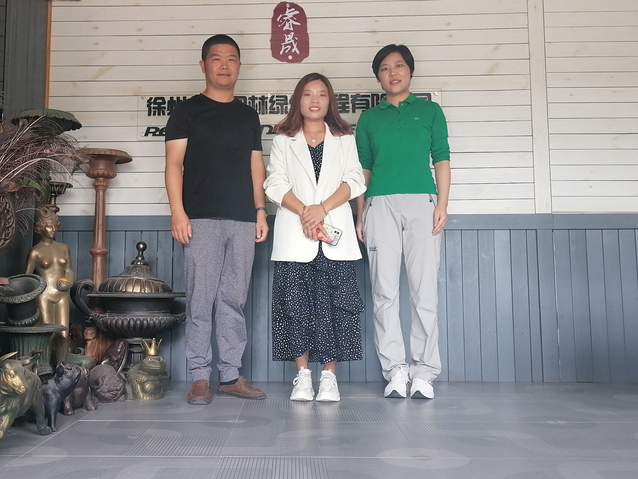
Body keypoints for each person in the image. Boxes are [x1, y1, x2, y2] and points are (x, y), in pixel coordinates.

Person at [164, 34, 269, 405]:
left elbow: (256, 166)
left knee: (233, 300)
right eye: (216, 58)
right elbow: (173, 164)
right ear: (203, 65)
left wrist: (260, 210)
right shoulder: (187, 111)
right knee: (201, 299)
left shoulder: (248, 115)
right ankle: (199, 377)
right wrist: (178, 211)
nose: (224, 65)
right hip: (201, 218)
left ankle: (229, 375)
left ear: (239, 66)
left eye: (231, 59)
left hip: (242, 219)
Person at [355, 44, 451, 399]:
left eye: (398, 66)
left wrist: (442, 204)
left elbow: (441, 158)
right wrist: (360, 213)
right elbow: (363, 168)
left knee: (424, 291)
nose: (392, 72)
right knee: (384, 291)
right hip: (379, 204)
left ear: (410, 71)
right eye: (384, 68)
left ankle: (425, 372)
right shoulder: (369, 119)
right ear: (378, 77)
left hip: (422, 203)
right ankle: (395, 369)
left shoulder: (430, 111)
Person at [265, 73, 366, 402]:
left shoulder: (344, 137)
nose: (315, 100)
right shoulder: (284, 138)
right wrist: (305, 213)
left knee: (334, 306)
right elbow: (274, 183)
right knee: (295, 306)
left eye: (322, 94)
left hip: (334, 232)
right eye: (308, 94)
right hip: (295, 234)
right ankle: (304, 377)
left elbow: (355, 180)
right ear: (298, 100)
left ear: (329, 101)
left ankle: (329, 377)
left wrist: (321, 209)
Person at [25, 207, 75, 363]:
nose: (53, 229)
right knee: (48, 335)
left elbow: (69, 270)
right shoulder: (35, 252)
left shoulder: (64, 248)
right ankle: (44, 368)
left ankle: (62, 367)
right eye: (48, 226)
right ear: (41, 227)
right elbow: (26, 278)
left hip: (62, 294)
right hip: (44, 295)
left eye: (54, 225)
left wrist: (68, 281)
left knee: (64, 335)